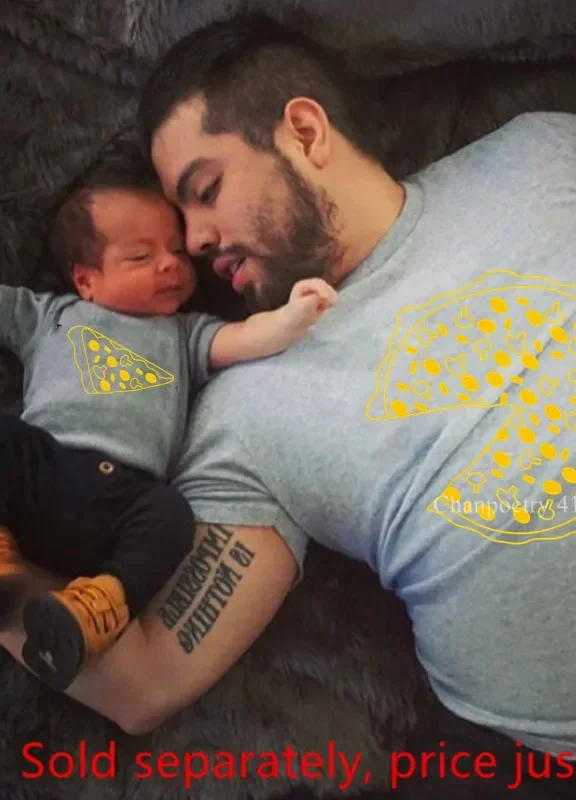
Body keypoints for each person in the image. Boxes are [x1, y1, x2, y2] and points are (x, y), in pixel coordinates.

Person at [3, 13, 576, 798]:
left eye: (205, 191)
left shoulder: (549, 158)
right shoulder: (246, 407)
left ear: (305, 132)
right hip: (567, 767)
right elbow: (145, 679)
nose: (196, 242)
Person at [0, 145, 335, 692]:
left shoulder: (185, 334)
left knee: (172, 517)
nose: (169, 265)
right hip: (43, 471)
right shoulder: (51, 317)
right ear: (85, 281)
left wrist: (293, 317)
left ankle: (96, 608)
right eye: (140, 257)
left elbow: (245, 337)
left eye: (177, 252)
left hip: (122, 501)